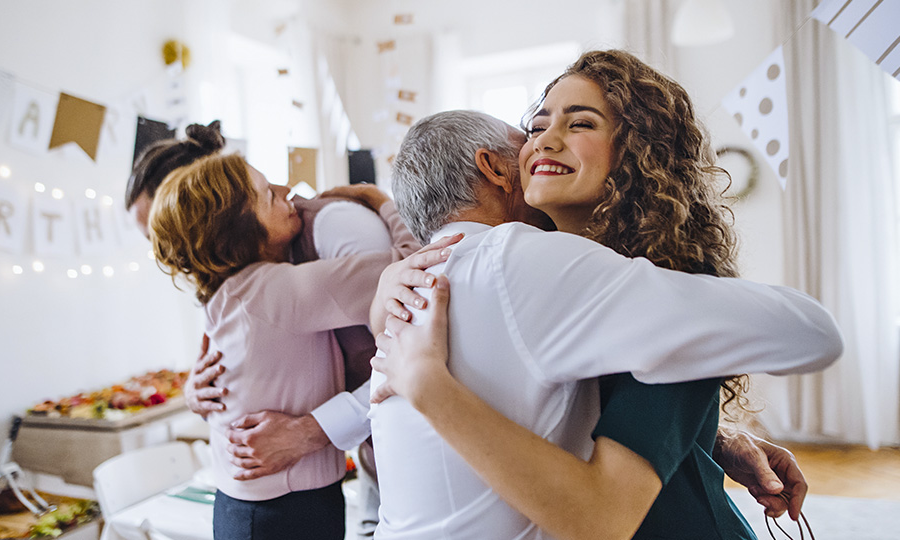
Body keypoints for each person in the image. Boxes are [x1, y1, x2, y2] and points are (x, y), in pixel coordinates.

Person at [367, 52, 842, 540]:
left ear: (636, 151)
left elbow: (606, 506)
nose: (544, 141)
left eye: (581, 123)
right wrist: (712, 440)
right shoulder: (541, 275)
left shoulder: (649, 282)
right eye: (533, 128)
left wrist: (426, 383)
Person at [125, 122, 413, 538]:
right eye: (267, 195)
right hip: (286, 510)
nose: (288, 190)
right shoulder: (276, 290)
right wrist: (381, 201)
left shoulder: (226, 290)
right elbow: (406, 267)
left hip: (256, 504)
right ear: (236, 227)